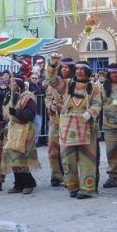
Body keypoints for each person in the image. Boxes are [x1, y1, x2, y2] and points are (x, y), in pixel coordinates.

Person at [46, 56, 102, 199]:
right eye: (77, 70)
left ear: (87, 72)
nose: (79, 72)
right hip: (68, 126)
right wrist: (52, 64)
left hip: (86, 126)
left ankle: (87, 189)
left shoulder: (95, 87)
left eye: (82, 70)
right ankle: (72, 186)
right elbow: (52, 81)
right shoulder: (67, 84)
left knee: (87, 159)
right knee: (67, 159)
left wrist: (90, 113)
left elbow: (97, 104)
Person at [2, 77, 40, 194]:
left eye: (14, 84)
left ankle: (29, 182)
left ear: (19, 85)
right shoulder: (10, 96)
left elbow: (30, 114)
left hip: (25, 129)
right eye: (10, 84)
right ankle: (18, 183)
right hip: (13, 129)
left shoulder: (28, 97)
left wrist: (16, 112)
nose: (12, 86)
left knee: (22, 158)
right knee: (13, 157)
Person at [44, 57, 74, 187]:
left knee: (67, 151)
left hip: (70, 122)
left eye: (67, 67)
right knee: (53, 149)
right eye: (62, 67)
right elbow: (48, 97)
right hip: (55, 121)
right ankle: (56, 175)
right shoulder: (54, 83)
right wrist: (50, 105)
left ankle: (70, 177)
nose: (64, 69)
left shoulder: (74, 83)